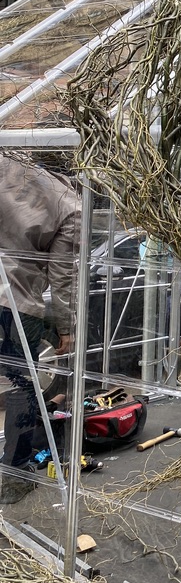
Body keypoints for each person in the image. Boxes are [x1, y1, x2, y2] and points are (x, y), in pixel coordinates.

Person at [0, 155, 79, 503]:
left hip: (14, 300)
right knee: (23, 386)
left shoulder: (3, 164)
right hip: (15, 303)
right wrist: (65, 326)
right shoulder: (67, 202)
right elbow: (63, 275)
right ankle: (13, 475)